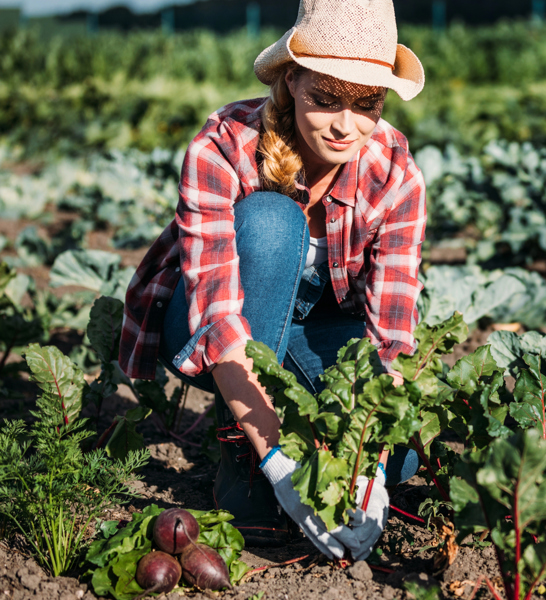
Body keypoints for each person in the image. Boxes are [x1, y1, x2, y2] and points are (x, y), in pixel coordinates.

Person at [118, 0, 426, 561]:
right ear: (292, 80)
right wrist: (277, 462)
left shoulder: (395, 172)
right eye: (325, 99)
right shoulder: (222, 145)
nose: (344, 126)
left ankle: (290, 427)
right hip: (212, 320)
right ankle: (240, 450)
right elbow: (219, 320)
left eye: (367, 106)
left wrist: (369, 464)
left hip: (318, 323)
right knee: (269, 223)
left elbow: (391, 341)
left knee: (404, 457)